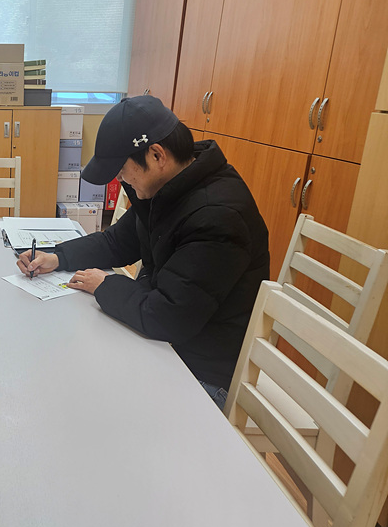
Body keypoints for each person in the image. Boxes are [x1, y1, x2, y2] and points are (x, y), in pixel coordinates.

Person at [17, 95, 269, 409]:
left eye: (122, 170)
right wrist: (57, 257)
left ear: (157, 155)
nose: (119, 179)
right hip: (166, 344)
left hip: (200, 374)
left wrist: (105, 285)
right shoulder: (169, 186)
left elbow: (167, 316)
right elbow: (117, 242)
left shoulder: (217, 216)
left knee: (86, 401)